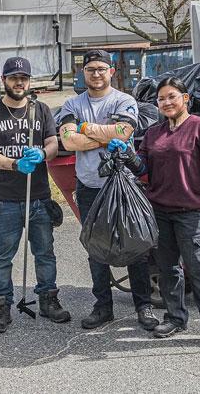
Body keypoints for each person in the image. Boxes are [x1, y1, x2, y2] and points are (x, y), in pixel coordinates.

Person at [107, 77, 200, 351]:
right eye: (161, 99)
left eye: (171, 96)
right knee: (168, 270)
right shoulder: (154, 133)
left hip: (191, 212)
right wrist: (126, 153)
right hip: (160, 211)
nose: (166, 102)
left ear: (185, 98)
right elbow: (143, 169)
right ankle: (175, 318)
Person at [59, 49, 159, 331]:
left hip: (124, 184)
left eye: (102, 68)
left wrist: (85, 128)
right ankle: (102, 306)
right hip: (90, 187)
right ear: (84, 73)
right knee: (96, 247)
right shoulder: (71, 103)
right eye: (91, 69)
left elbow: (123, 133)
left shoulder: (124, 100)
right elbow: (69, 142)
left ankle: (144, 306)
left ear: (112, 71)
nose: (96, 74)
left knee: (135, 244)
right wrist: (104, 136)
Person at [0, 56, 70, 334]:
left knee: (45, 253)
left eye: (24, 78)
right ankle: (1, 306)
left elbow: (52, 143)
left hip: (38, 196)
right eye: (14, 78)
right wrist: (15, 164)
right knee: (2, 257)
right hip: (5, 199)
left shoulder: (40, 111)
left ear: (29, 81)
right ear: (4, 80)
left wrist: (42, 153)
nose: (19, 82)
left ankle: (48, 300)